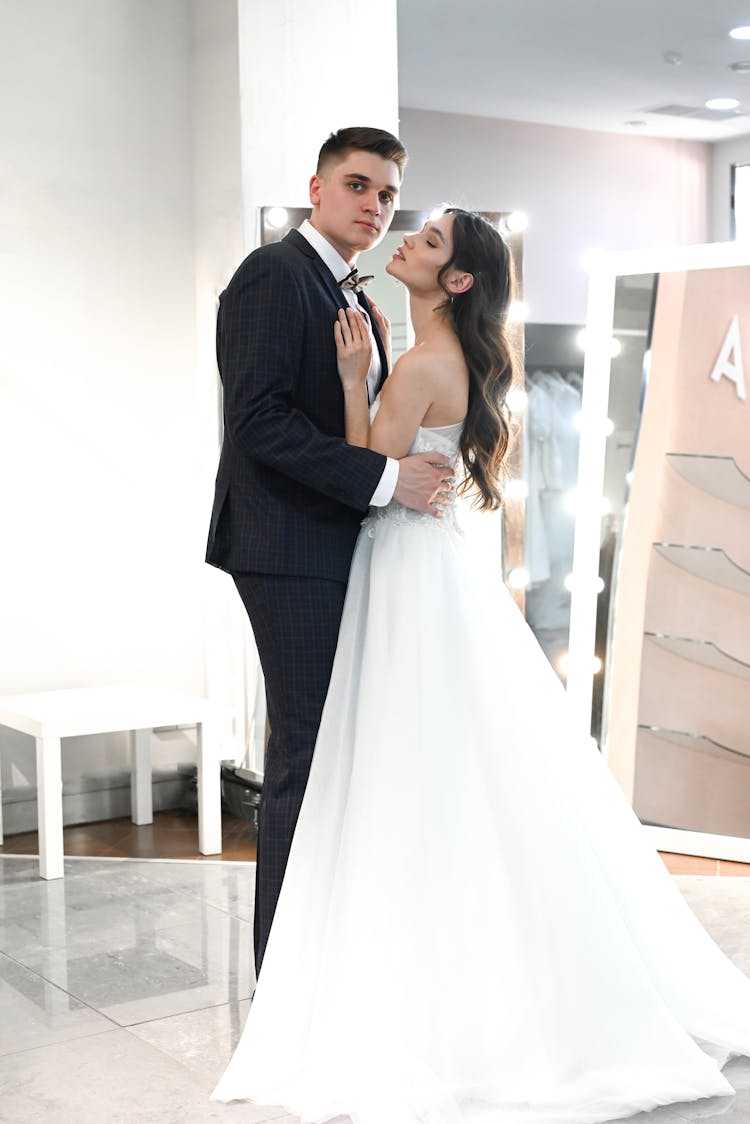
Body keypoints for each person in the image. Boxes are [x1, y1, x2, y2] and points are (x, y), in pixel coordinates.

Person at [212, 209, 750, 1122]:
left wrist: (352, 375)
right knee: (450, 764)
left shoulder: (423, 362)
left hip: (401, 568)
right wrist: (365, 371)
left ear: (455, 281)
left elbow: (364, 462)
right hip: (431, 565)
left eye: (427, 241)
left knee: (392, 766)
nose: (408, 239)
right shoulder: (438, 356)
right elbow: (390, 462)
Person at [206, 127, 454, 976]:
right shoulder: (274, 276)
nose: (375, 207)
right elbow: (259, 420)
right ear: (315, 189)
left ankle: (327, 962)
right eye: (358, 186)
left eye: (387, 196)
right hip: (287, 543)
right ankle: (283, 977)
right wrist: (386, 485)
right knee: (308, 757)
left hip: (332, 540)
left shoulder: (344, 290)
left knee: (338, 752)